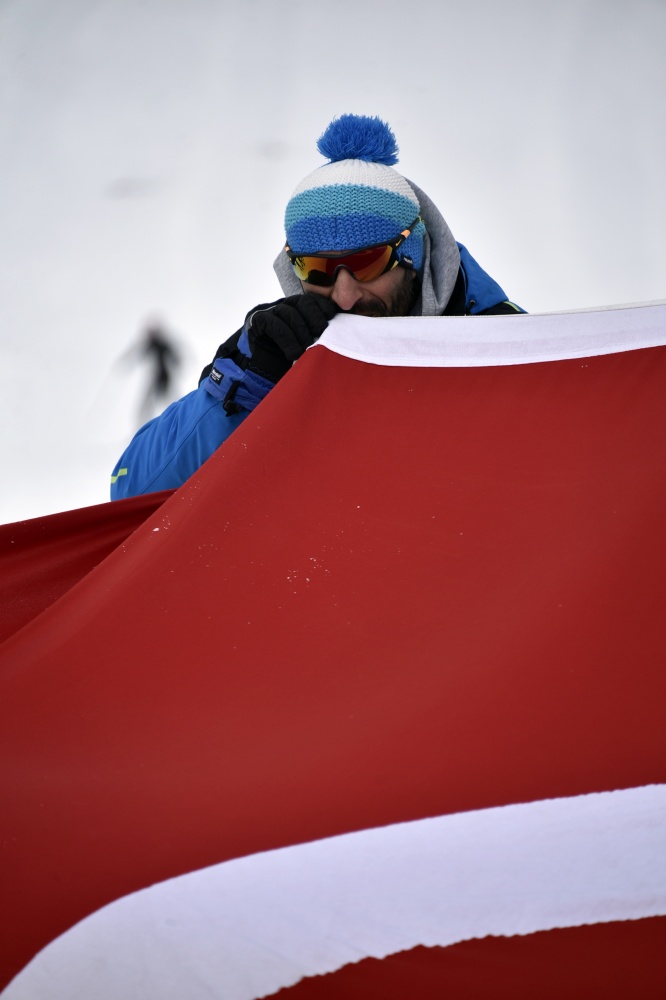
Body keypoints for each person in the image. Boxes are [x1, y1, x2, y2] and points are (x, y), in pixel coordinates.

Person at [110, 114, 524, 500]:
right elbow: (131, 490)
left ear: (412, 256)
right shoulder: (276, 355)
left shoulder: (510, 344)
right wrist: (243, 389)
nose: (344, 296)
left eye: (367, 263)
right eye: (317, 270)